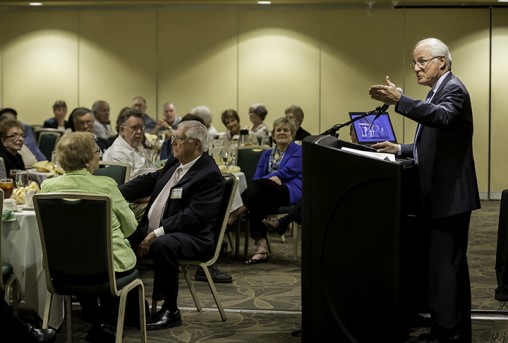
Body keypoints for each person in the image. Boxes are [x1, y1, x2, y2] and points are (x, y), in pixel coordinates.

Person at [368, 37, 480, 343]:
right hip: (443, 195)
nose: (416, 68)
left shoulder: (453, 89)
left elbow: (442, 119)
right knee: (445, 268)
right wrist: (401, 147)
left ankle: (448, 333)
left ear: (441, 62)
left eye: (421, 61)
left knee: (445, 269)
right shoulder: (437, 91)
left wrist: (400, 101)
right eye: (413, 63)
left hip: (450, 197)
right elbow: (434, 143)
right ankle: (451, 328)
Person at [119, 120, 225, 330]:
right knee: (117, 239)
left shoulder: (209, 174)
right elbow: (151, 179)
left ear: (196, 145)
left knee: (163, 244)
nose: (173, 142)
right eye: (174, 137)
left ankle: (170, 310)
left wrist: (158, 232)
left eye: (179, 138)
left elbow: (194, 216)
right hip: (156, 229)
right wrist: (114, 191)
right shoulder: (176, 161)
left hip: (194, 237)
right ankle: (125, 306)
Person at [41, 132, 138, 342]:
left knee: (82, 256)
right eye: (97, 151)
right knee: (107, 258)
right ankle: (105, 323)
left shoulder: (47, 187)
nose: (99, 155)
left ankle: (94, 316)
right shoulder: (106, 185)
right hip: (107, 268)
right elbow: (131, 226)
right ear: (86, 159)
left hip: (63, 268)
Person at [236, 117, 302, 265]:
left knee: (259, 189)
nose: (282, 133)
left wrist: (270, 179)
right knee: (257, 200)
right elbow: (256, 178)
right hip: (266, 192)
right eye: (278, 130)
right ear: (273, 135)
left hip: (289, 191)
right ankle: (261, 249)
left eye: (286, 130)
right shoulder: (266, 154)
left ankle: (235, 213)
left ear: (292, 134)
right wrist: (271, 180)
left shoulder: (298, 150)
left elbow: (287, 172)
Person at [103, 109, 157, 180]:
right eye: (134, 128)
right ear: (122, 130)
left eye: (141, 128)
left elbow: (151, 168)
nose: (139, 132)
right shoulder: (117, 153)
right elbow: (127, 182)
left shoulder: (136, 145)